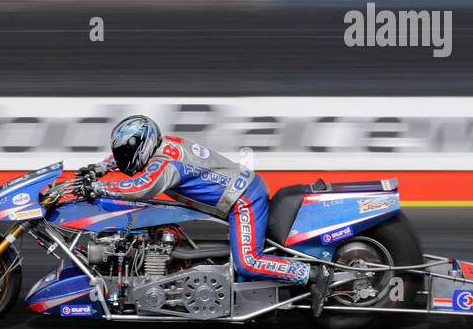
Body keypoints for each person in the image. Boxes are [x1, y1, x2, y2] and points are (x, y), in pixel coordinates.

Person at [75, 115, 332, 313]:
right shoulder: (161, 146)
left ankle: (314, 275)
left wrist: (98, 187)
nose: (121, 160)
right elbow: (124, 161)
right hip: (238, 192)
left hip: (244, 200)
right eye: (120, 155)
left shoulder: (164, 164)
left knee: (247, 261)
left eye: (125, 154)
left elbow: (141, 187)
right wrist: (100, 167)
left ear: (144, 146)